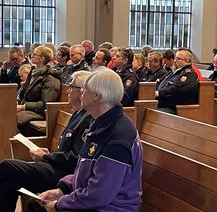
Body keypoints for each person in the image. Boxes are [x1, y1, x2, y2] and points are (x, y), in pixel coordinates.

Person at [28, 68, 143, 212]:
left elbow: (99, 195)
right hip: (95, 202)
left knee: (38, 207)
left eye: (85, 89)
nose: (81, 93)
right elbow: (86, 171)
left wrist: (60, 203)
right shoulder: (100, 123)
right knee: (36, 203)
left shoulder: (117, 138)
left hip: (110, 208)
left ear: (96, 95)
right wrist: (61, 190)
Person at [0, 70, 92, 212]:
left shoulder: (89, 118)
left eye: (71, 87)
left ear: (81, 92)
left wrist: (47, 157)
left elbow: (75, 159)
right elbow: (66, 149)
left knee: (7, 166)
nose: (67, 90)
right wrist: (50, 154)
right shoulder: (78, 112)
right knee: (8, 184)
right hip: (58, 166)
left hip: (66, 175)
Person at [17, 46, 61, 133]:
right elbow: (24, 95)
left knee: (10, 119)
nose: (31, 56)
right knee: (4, 113)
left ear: (42, 58)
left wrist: (23, 106)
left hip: (39, 113)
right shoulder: (33, 72)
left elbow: (46, 104)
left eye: (34, 54)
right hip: (29, 110)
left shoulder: (50, 78)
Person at [155, 48, 199, 114]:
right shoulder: (174, 71)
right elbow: (161, 81)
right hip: (162, 102)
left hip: (175, 107)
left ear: (187, 61)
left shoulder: (189, 74)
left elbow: (177, 90)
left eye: (178, 59)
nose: (175, 60)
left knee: (155, 113)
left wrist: (159, 93)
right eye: (175, 58)